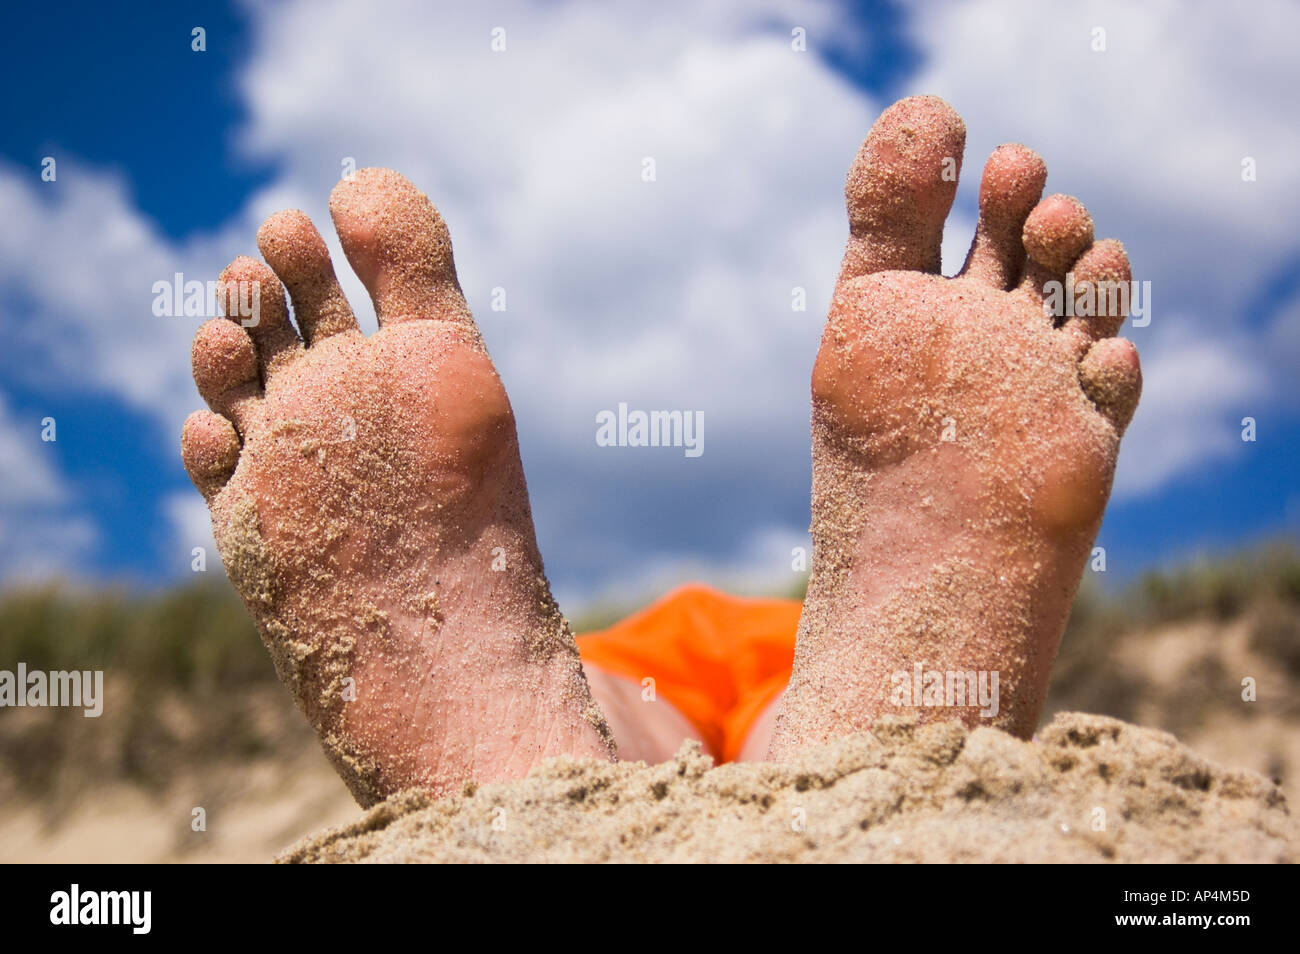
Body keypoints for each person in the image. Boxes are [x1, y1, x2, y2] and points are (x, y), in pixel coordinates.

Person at [181, 96, 1140, 806]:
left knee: (610, 699)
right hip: (795, 657)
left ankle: (537, 782)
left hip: (651, 659)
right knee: (788, 714)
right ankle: (866, 753)